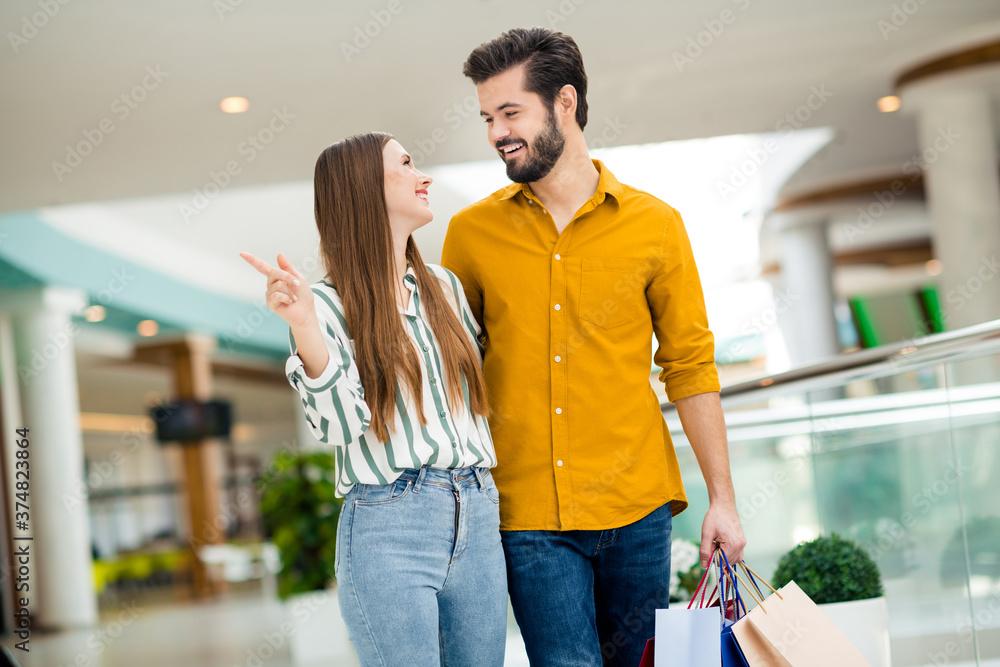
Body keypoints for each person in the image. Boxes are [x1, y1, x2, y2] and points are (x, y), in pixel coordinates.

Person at [441, 28, 748, 667]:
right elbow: (452, 370)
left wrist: (722, 498)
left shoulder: (655, 225)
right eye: (487, 118)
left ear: (565, 103)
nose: (497, 132)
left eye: (510, 112)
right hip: (527, 515)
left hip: (637, 509)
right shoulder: (472, 235)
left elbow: (690, 365)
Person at [241, 131, 507, 666]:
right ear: (363, 190)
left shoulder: (446, 288)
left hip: (477, 510)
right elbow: (339, 427)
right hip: (391, 523)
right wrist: (304, 329)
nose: (423, 175)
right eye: (406, 165)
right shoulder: (323, 306)